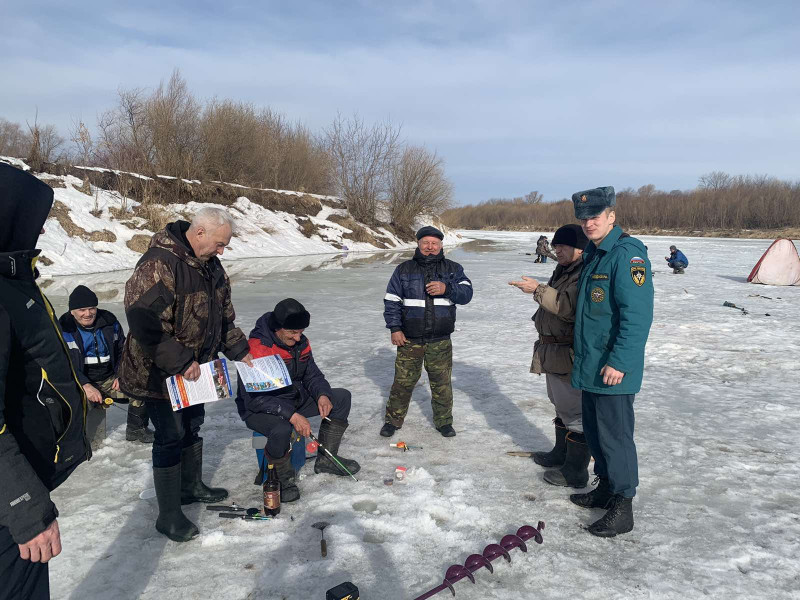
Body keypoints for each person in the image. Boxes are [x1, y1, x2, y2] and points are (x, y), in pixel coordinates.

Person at [119, 207, 253, 543]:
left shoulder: (212, 267)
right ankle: (168, 516)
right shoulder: (159, 263)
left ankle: (190, 487)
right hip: (159, 374)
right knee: (170, 436)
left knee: (192, 426)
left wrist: (240, 350)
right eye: (220, 244)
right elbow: (144, 322)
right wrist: (180, 361)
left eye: (225, 246)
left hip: (197, 373)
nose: (222, 251)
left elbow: (223, 318)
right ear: (200, 232)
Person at [0, 163, 91, 599]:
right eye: (34, 219)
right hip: (9, 507)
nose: (39, 231)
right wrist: (25, 509)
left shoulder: (11, 278)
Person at [567, 186, 654, 537]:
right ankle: (605, 487)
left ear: (612, 216)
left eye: (595, 216)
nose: (589, 223)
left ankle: (623, 504)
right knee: (596, 432)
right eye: (583, 218)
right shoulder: (595, 253)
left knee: (616, 436)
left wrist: (619, 361)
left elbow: (637, 316)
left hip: (613, 368)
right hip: (592, 364)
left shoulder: (627, 255)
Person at [235, 298, 360, 502]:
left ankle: (326, 461)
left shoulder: (300, 342)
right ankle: (281, 480)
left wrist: (322, 395)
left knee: (341, 397)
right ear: (278, 328)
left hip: (293, 398)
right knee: (281, 429)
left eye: (300, 332)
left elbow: (312, 375)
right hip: (259, 408)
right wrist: (292, 415)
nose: (298, 337)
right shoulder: (256, 350)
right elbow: (255, 399)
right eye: (293, 332)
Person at [509, 224, 590, 488]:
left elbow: (568, 308)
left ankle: (576, 471)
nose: (557, 250)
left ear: (580, 248)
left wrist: (538, 289)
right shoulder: (564, 269)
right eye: (555, 246)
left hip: (568, 352)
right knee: (560, 405)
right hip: (552, 350)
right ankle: (561, 454)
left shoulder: (585, 272)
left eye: (563, 246)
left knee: (575, 413)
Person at [381, 225, 473, 438]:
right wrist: (395, 328)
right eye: (426, 243)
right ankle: (392, 421)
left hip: (440, 339)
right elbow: (392, 301)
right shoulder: (404, 270)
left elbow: (467, 294)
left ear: (441, 245)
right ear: (418, 244)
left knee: (442, 384)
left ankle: (444, 422)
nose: (430, 247)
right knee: (402, 383)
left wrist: (447, 288)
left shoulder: (453, 269)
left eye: (434, 243)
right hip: (409, 339)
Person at [59, 285, 154, 444]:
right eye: (82, 310)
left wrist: (121, 374)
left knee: (142, 387)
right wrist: (85, 385)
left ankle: (136, 430)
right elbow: (62, 365)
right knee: (71, 408)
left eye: (92, 308)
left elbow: (123, 351)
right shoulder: (63, 329)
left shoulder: (110, 323)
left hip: (108, 379)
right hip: (78, 383)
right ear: (72, 311)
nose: (88, 313)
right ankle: (78, 442)